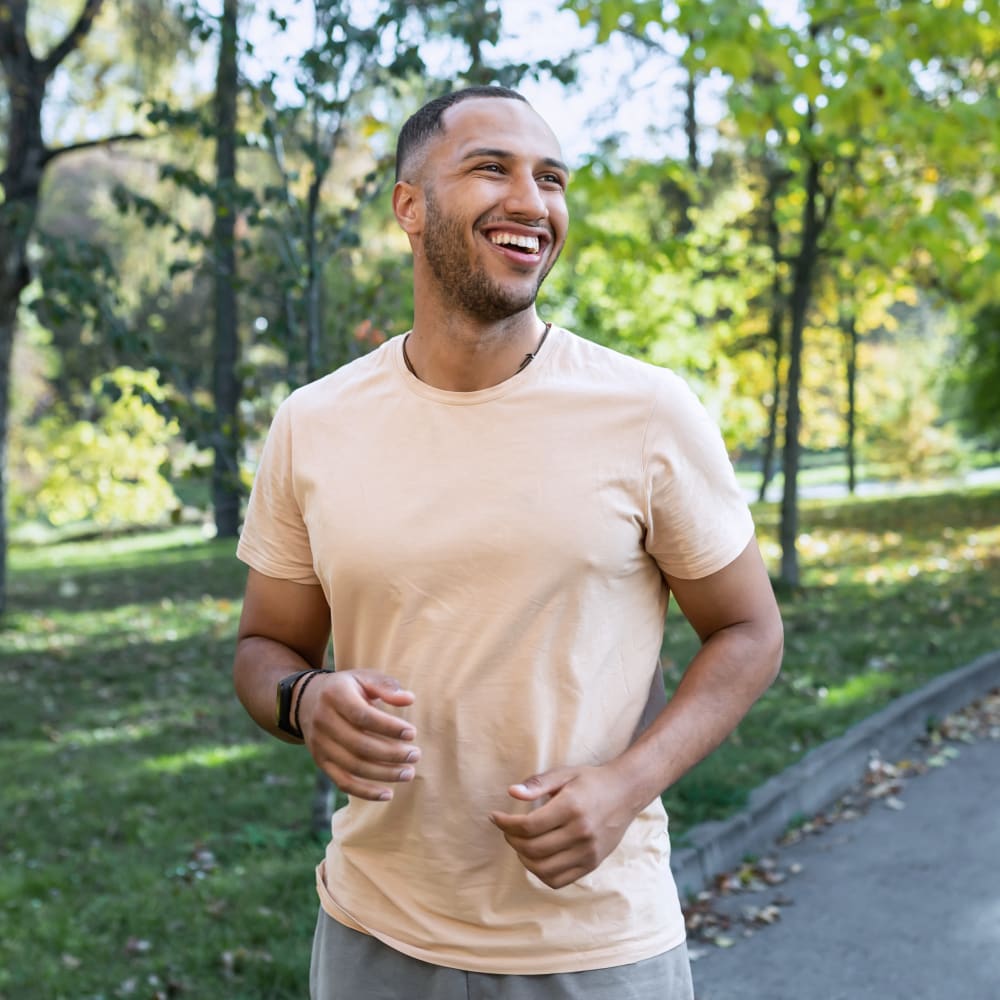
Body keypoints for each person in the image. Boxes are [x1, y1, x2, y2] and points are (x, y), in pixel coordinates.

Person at [233, 84, 784, 1000]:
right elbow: (265, 646)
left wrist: (627, 785)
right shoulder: (313, 422)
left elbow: (750, 631)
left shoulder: (646, 409)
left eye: (551, 179)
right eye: (492, 169)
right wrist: (304, 698)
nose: (532, 201)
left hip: (596, 945)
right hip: (373, 935)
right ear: (409, 206)